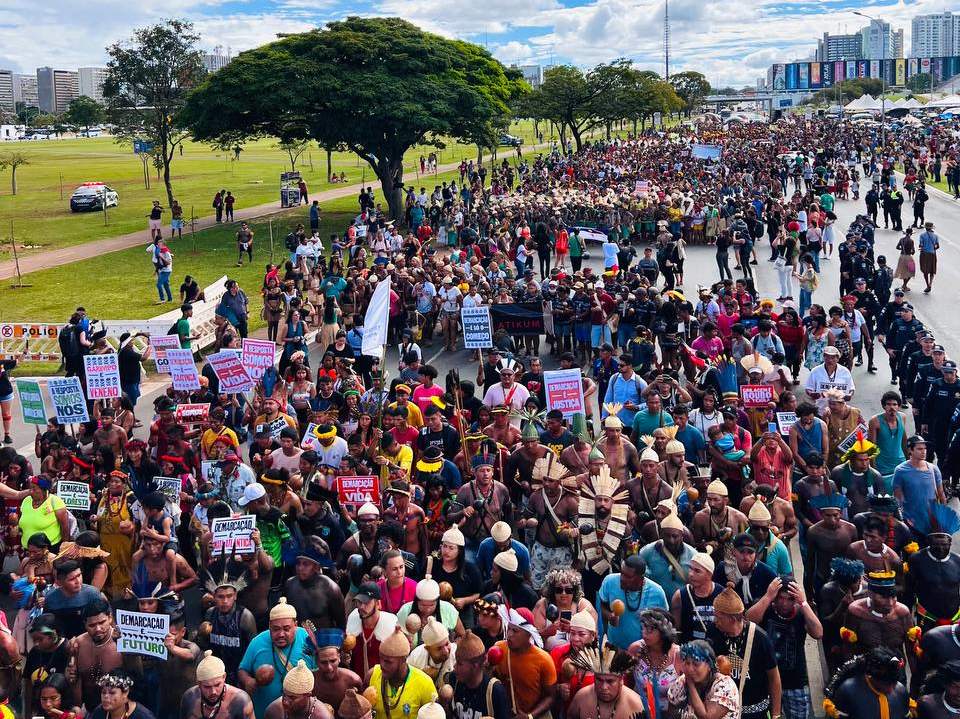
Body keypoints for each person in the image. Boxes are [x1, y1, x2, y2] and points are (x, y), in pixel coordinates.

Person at [708, 583, 781, 719]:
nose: (715, 621)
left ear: (733, 618)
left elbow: (774, 677)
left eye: (719, 617)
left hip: (755, 712)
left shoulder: (760, 638)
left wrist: (776, 714)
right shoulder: (713, 632)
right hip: (723, 711)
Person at [237, 598, 317, 718]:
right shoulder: (257, 642)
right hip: (263, 713)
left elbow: (319, 672)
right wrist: (247, 681)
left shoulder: (308, 639)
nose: (281, 634)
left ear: (295, 625)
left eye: (286, 628)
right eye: (276, 629)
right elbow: (242, 670)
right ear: (269, 626)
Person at [367, 627, 437, 719]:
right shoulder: (372, 675)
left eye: (388, 662)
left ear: (403, 660)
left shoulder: (424, 683)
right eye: (381, 659)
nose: (382, 665)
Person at [566, 641, 647, 719]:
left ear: (621, 680)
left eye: (610, 681)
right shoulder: (581, 697)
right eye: (599, 680)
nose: (604, 687)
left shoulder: (637, 705)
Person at [666, 640, 740, 719]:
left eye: (696, 664)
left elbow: (706, 717)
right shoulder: (682, 681)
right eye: (687, 663)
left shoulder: (725, 686)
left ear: (709, 665)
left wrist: (691, 685)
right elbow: (671, 710)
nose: (690, 669)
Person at [446, 629, 511, 719]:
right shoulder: (454, 679)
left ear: (475, 666)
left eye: (460, 663)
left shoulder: (495, 691)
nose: (454, 666)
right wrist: (443, 702)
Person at [179, 651, 255, 719]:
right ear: (199, 683)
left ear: (224, 677)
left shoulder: (240, 701)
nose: (213, 692)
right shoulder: (190, 698)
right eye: (207, 687)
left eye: (217, 685)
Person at [89, 671, 155, 719]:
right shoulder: (98, 712)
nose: (106, 696)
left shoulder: (143, 716)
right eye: (103, 692)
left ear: (125, 693)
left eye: (112, 693)